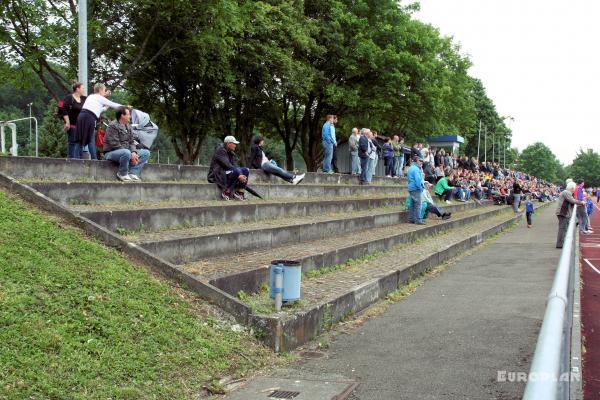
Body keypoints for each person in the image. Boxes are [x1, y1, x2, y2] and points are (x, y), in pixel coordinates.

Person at [76, 83, 123, 160]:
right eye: (104, 90)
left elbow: (99, 109)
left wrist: (105, 107)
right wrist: (125, 107)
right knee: (88, 140)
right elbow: (113, 104)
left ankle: (79, 159)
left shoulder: (91, 97)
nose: (105, 92)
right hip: (89, 117)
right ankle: (91, 159)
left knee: (83, 139)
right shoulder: (99, 98)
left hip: (82, 116)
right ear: (100, 90)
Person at [103, 107, 150, 181]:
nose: (130, 116)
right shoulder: (112, 126)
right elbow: (114, 144)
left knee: (145, 153)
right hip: (111, 153)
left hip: (126, 152)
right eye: (128, 114)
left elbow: (131, 142)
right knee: (126, 152)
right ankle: (122, 174)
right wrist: (130, 153)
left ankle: (133, 173)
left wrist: (134, 152)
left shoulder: (128, 126)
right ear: (122, 115)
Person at [208, 136, 250, 200]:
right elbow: (228, 165)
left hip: (226, 173)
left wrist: (241, 174)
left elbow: (235, 165)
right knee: (236, 171)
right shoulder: (220, 151)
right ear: (228, 144)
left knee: (246, 170)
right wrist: (239, 175)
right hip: (217, 174)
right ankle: (226, 192)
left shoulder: (230, 153)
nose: (235, 145)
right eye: (234, 144)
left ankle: (239, 193)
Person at [58, 81, 87, 158]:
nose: (83, 90)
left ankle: (80, 161)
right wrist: (67, 122)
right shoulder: (69, 98)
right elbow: (62, 107)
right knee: (73, 143)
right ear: (77, 89)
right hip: (73, 125)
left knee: (80, 144)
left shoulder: (83, 99)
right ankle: (71, 160)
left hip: (81, 126)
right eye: (82, 88)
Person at [556, 181, 585, 248]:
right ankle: (560, 244)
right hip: (563, 213)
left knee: (564, 228)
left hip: (563, 213)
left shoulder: (567, 192)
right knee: (562, 229)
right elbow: (572, 200)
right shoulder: (566, 192)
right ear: (572, 188)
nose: (574, 190)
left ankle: (561, 243)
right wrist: (581, 202)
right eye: (574, 188)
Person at [407, 156, 425, 225]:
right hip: (416, 188)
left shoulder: (411, 168)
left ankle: (411, 219)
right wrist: (421, 187)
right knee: (418, 204)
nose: (421, 162)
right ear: (416, 161)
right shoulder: (416, 169)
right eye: (420, 161)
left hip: (411, 188)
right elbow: (418, 180)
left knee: (412, 204)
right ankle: (417, 220)